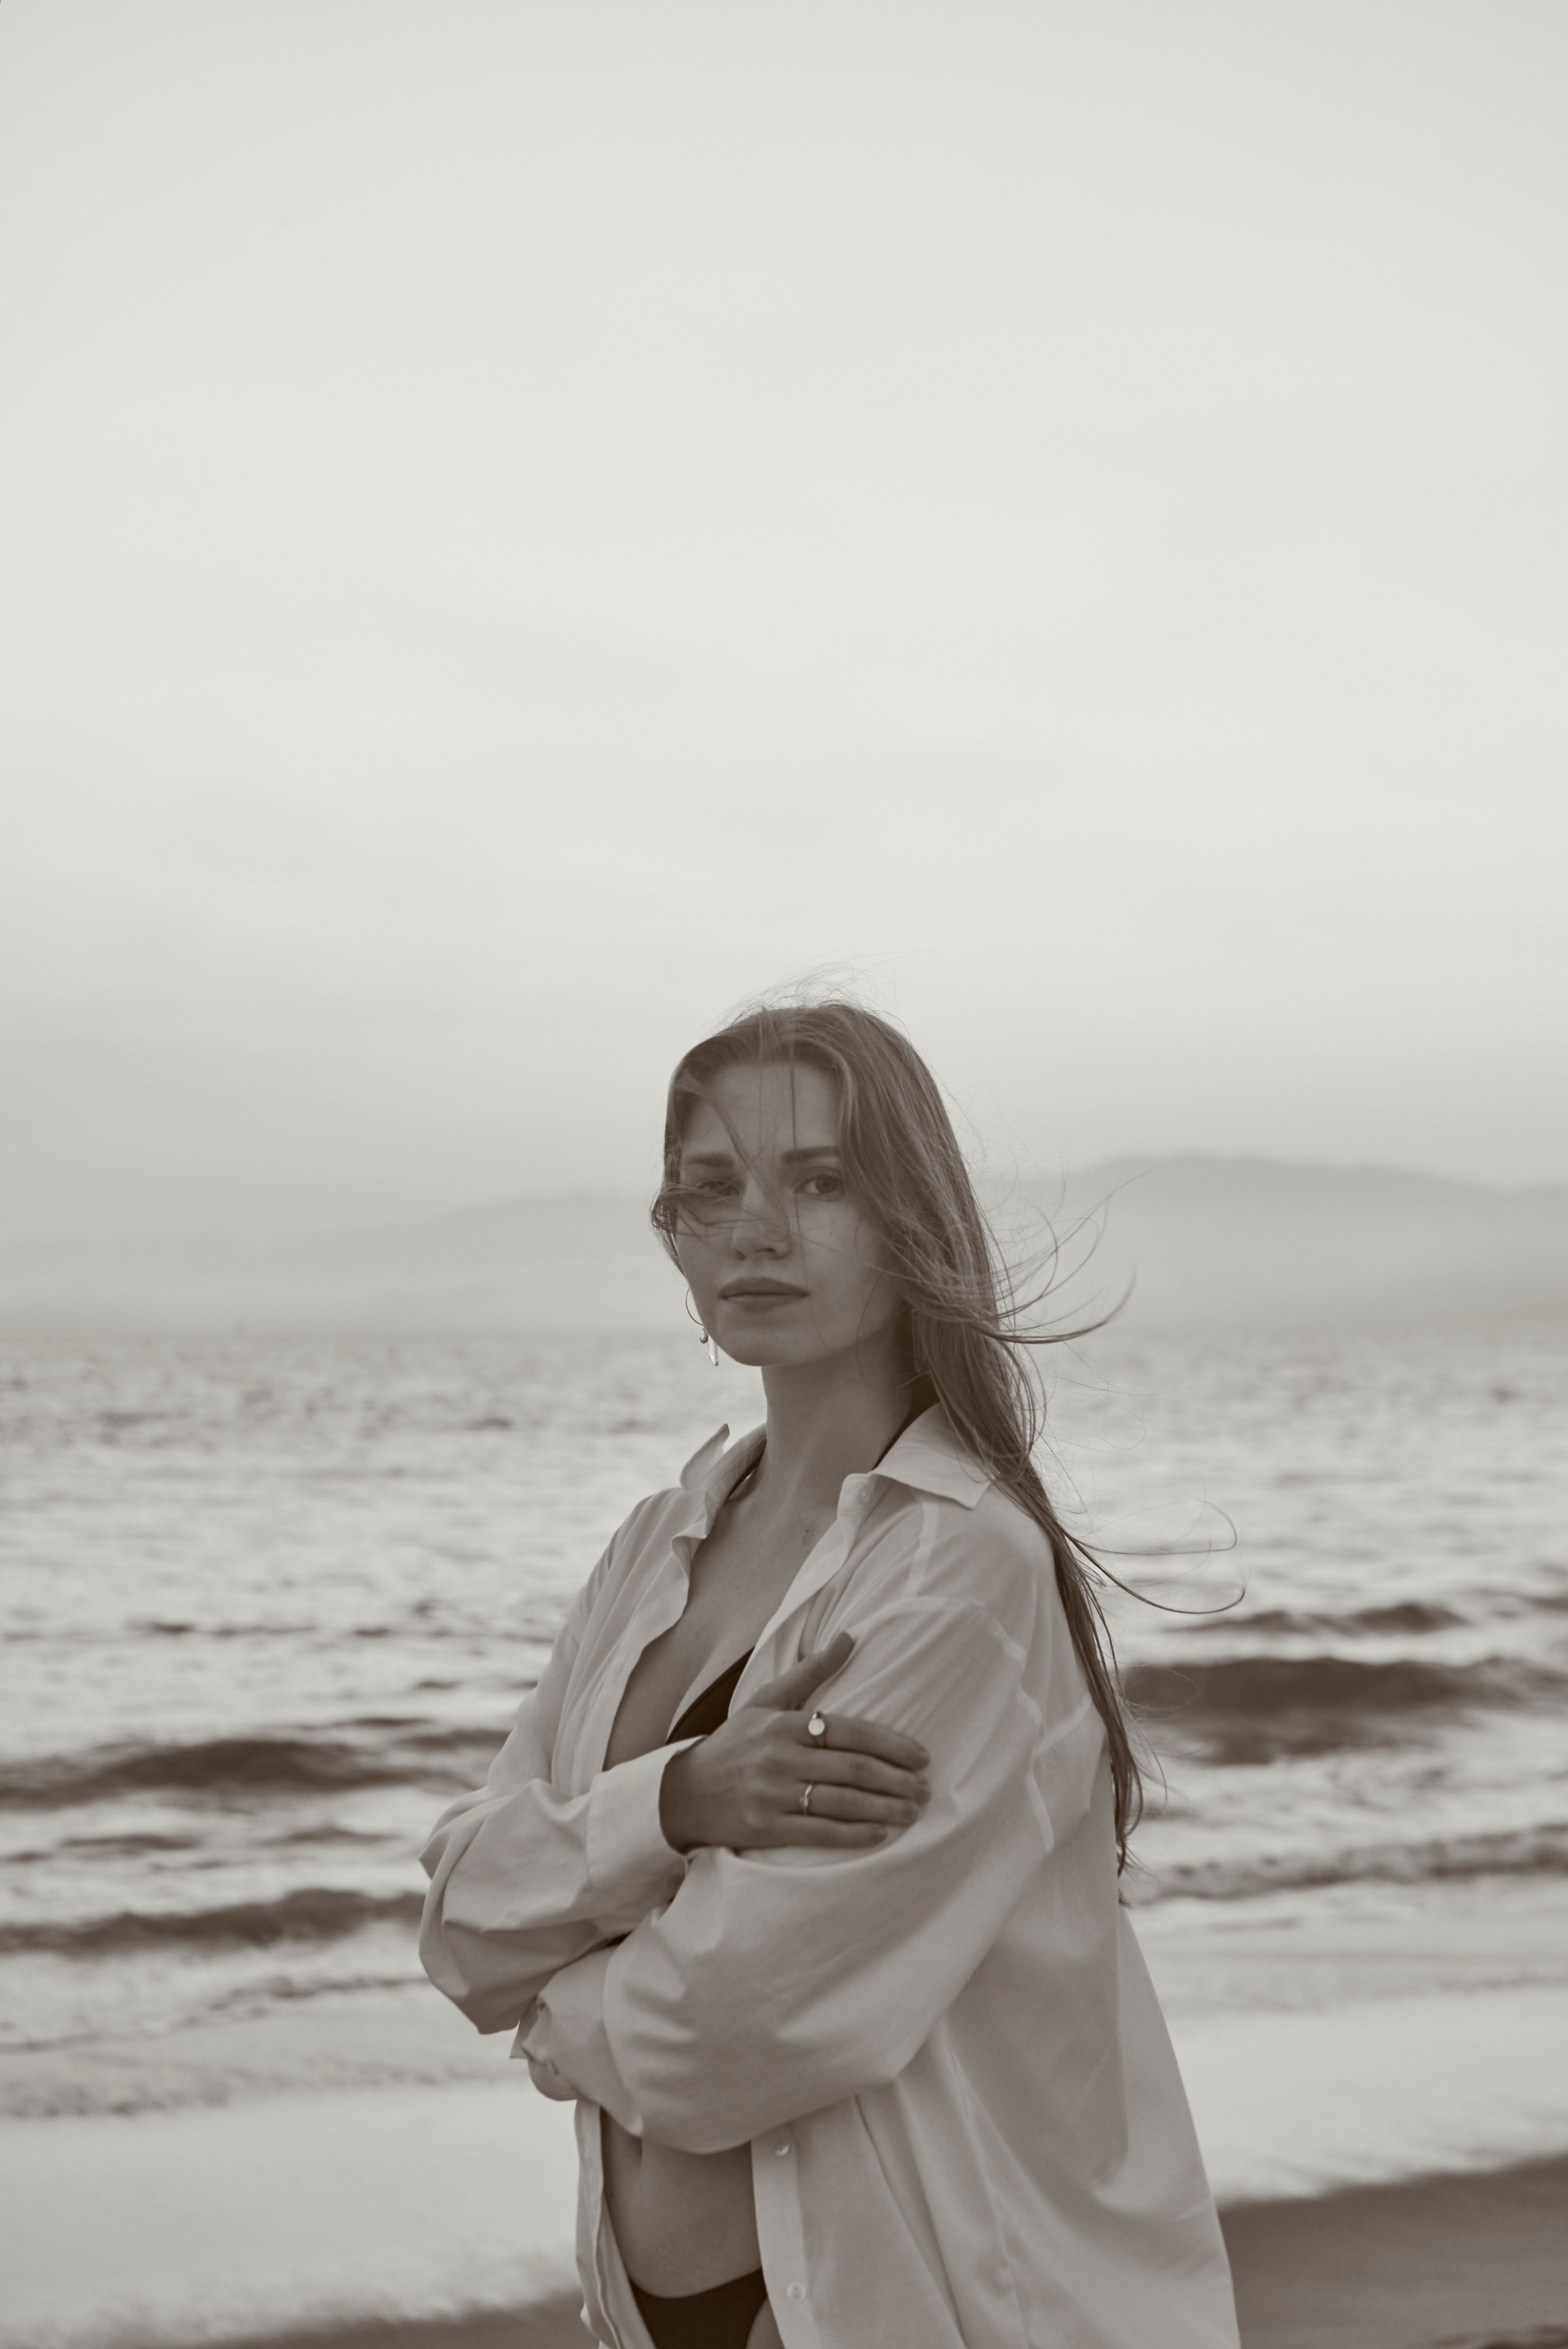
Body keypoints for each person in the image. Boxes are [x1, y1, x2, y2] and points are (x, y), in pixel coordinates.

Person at [420, 1001, 1240, 2349]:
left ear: (910, 1218)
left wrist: (544, 2011)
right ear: (670, 1236)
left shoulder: (953, 1569)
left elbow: (739, 2026)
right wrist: (677, 1799)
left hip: (916, 2300)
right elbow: (459, 1909)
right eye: (709, 1189)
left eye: (817, 1181)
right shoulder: (661, 1535)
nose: (754, 1228)